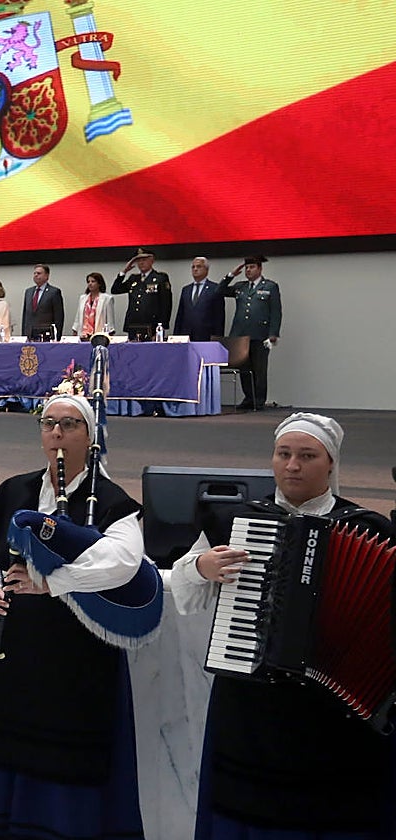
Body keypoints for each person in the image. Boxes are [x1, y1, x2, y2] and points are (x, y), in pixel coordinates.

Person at [169, 412, 395, 839]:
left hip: (335, 713)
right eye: (284, 454)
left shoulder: (368, 529)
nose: (292, 466)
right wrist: (201, 566)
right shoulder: (235, 521)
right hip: (252, 704)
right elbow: (184, 587)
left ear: (331, 463)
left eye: (307, 455)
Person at [0, 394, 146, 840]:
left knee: (65, 756)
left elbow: (124, 561)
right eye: (49, 424)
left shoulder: (109, 500)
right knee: (4, 747)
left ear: (91, 436)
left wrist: (52, 581)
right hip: (11, 649)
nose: (57, 434)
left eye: (69, 425)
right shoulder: (15, 490)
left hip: (74, 656)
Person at [219, 255, 281, 410]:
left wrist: (273, 334)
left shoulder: (270, 286)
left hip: (260, 334)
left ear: (260, 269)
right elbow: (219, 291)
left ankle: (259, 400)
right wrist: (231, 275)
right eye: (246, 267)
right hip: (241, 335)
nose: (248, 270)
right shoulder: (241, 286)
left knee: (259, 369)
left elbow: (276, 312)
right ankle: (248, 398)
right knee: (244, 369)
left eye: (252, 267)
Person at [111, 247, 172, 339]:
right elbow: (115, 290)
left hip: (152, 325)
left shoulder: (160, 278)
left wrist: (161, 327)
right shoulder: (133, 278)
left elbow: (166, 305)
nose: (141, 263)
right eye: (138, 261)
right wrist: (124, 272)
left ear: (151, 260)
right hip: (133, 324)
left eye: (144, 260)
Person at [173, 256, 225, 342]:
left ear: (207, 270)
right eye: (193, 267)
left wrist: (217, 339)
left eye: (199, 266)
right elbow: (180, 316)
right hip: (186, 336)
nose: (195, 269)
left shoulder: (215, 288)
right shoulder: (186, 289)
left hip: (206, 336)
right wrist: (176, 336)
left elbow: (219, 317)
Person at [20, 264, 64, 340]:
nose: (36, 275)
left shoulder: (54, 292)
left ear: (47, 276)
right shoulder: (29, 292)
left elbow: (59, 316)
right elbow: (25, 315)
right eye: (35, 273)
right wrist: (24, 335)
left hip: (46, 335)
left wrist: (57, 336)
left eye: (39, 273)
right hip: (30, 334)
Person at [71, 272, 117, 339]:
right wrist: (75, 330)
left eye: (93, 281)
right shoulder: (83, 298)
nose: (90, 283)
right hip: (83, 334)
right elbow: (78, 317)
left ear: (99, 283)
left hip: (99, 335)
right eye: (88, 282)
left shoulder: (107, 299)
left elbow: (110, 320)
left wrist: (109, 334)